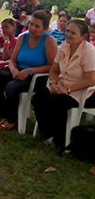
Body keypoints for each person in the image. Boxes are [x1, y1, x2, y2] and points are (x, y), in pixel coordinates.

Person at [0, 10, 57, 131]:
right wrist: (13, 69)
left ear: (45, 28)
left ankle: (12, 120)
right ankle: (6, 114)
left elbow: (52, 66)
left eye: (37, 26)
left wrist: (30, 71)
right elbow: (12, 59)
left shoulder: (49, 40)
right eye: (31, 24)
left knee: (11, 87)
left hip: (37, 77)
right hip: (18, 72)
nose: (33, 28)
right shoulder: (23, 37)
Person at [32, 19, 95, 149]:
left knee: (58, 103)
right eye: (67, 31)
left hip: (80, 91)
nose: (68, 35)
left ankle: (60, 140)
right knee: (39, 98)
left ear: (83, 36)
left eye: (73, 33)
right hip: (60, 84)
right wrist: (54, 83)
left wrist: (68, 90)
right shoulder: (64, 46)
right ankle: (47, 134)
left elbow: (91, 80)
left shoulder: (89, 51)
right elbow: (54, 70)